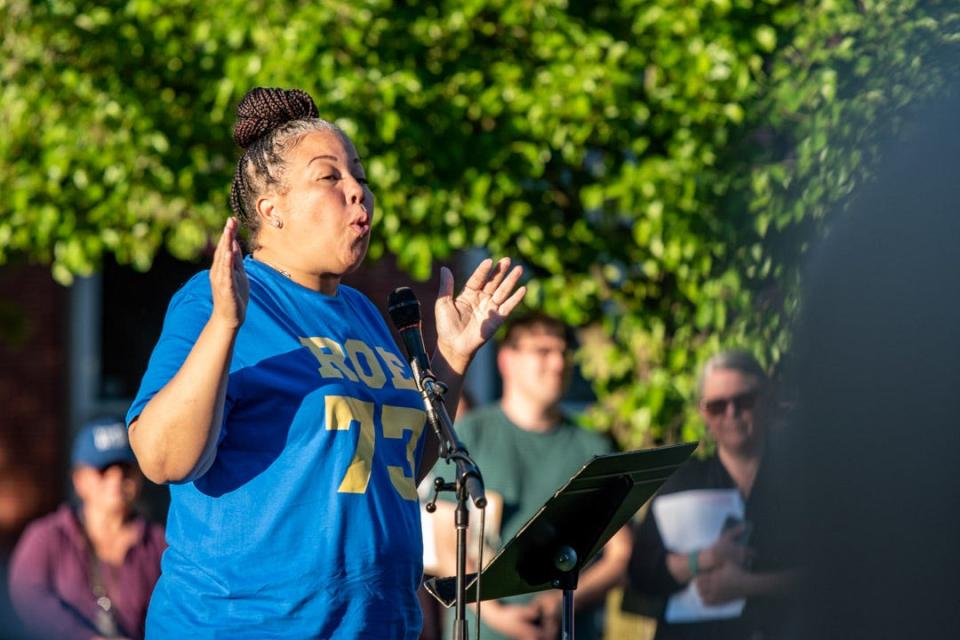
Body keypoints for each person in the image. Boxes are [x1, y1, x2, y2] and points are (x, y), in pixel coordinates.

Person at [125, 87, 526, 639]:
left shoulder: (361, 314)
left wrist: (452, 358)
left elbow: (401, 464)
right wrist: (225, 325)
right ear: (273, 209)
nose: (357, 191)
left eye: (358, 175)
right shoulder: (218, 300)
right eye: (329, 177)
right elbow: (162, 458)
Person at [436, 312, 633, 640]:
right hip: (482, 631)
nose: (558, 363)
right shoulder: (469, 434)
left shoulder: (594, 447)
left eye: (564, 352)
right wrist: (498, 616)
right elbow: (445, 543)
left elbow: (621, 554)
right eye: (543, 351)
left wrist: (563, 600)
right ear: (507, 360)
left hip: (569, 629)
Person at [625, 350, 796, 639]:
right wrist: (702, 559)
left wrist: (748, 585)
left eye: (743, 401)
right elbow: (641, 573)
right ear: (704, 413)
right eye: (718, 406)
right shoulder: (680, 481)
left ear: (766, 398)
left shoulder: (799, 480)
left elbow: (832, 571)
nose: (731, 413)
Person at [8, 417, 165, 640]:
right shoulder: (47, 536)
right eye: (104, 470)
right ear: (79, 480)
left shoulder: (159, 543)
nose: (116, 478)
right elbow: (28, 596)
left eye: (125, 468)